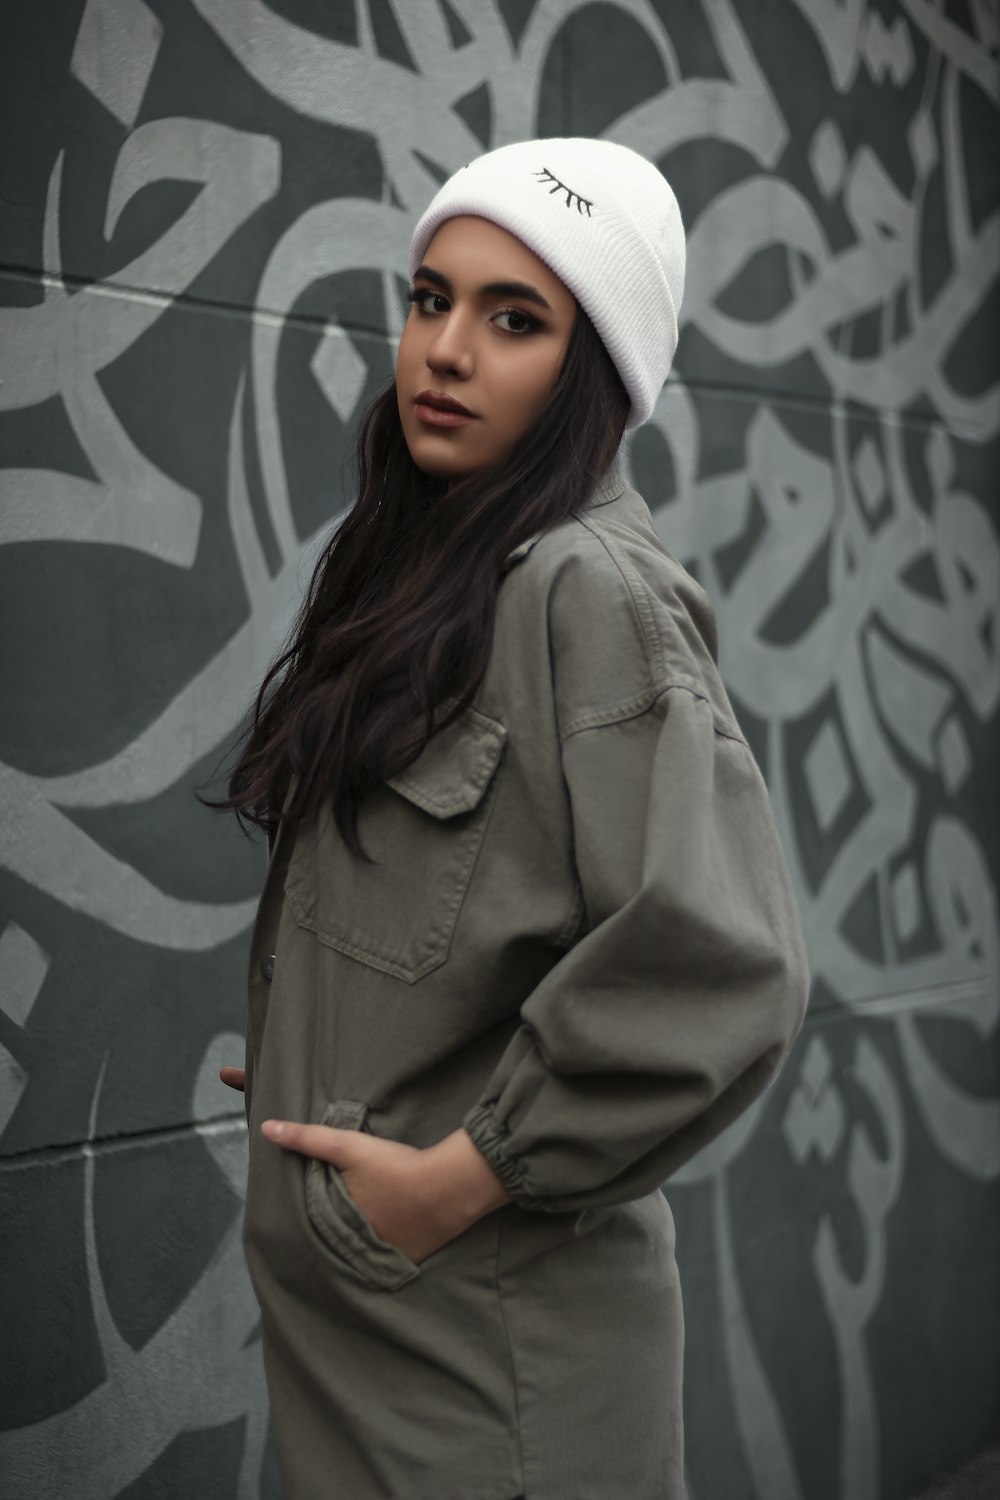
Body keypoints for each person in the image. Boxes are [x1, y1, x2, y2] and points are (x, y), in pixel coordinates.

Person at [212, 137, 810, 1500]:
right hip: (383, 1341)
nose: (448, 349)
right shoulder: (448, 570)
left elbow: (723, 967)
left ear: (592, 369)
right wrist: (341, 1042)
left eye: (515, 319)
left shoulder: (590, 595)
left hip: (494, 1355)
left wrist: (458, 1178)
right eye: (433, 299)